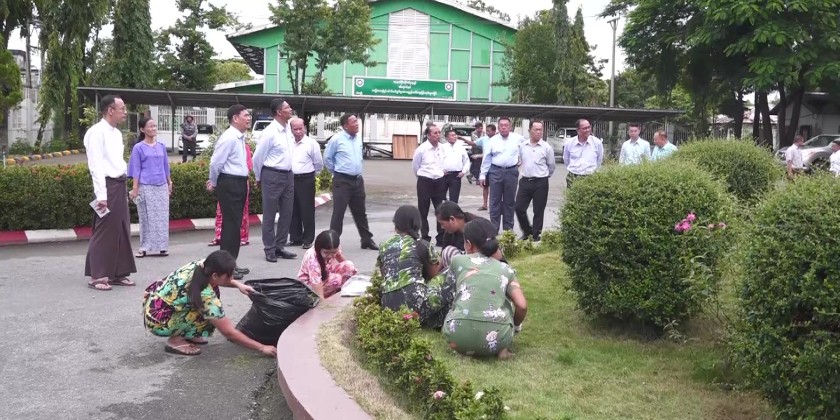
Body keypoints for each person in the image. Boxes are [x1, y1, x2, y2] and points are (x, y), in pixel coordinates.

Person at [142, 250, 277, 357]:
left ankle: (189, 333)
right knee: (211, 309)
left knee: (211, 295)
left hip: (155, 304)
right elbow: (228, 332)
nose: (231, 279)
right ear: (214, 275)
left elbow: (219, 280)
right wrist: (261, 347)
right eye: (228, 276)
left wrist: (238, 285)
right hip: (158, 320)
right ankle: (175, 340)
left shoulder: (202, 266)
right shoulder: (205, 294)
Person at [441, 218, 528, 359]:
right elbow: (522, 306)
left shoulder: (457, 261)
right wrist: (516, 326)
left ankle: (464, 346)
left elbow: (448, 294)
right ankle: (502, 350)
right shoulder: (506, 269)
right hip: (498, 338)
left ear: (468, 244)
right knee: (504, 299)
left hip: (457, 336)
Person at [84, 95, 137, 291]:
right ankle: (97, 275)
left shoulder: (116, 133)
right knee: (104, 230)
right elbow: (96, 166)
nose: (125, 112)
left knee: (121, 228)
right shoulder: (96, 132)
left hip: (119, 184)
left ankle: (118, 273)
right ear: (110, 110)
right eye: (122, 109)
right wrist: (101, 195)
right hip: (106, 186)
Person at [376, 205, 455, 329]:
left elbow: (385, 275)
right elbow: (434, 276)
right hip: (415, 303)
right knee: (451, 272)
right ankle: (441, 319)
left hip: (388, 306)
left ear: (396, 225)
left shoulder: (384, 246)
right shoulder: (423, 244)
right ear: (417, 225)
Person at [207, 104, 251, 280]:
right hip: (229, 183)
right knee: (231, 226)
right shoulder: (229, 138)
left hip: (239, 182)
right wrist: (213, 182)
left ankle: (232, 263)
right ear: (235, 118)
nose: (248, 118)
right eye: (245, 115)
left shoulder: (239, 137)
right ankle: (225, 268)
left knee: (235, 225)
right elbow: (215, 163)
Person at [323, 113, 378, 250]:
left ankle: (366, 239)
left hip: (357, 180)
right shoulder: (337, 139)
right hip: (342, 181)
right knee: (339, 213)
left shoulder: (358, 139)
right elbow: (327, 158)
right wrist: (336, 172)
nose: (357, 123)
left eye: (356, 121)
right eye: (353, 122)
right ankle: (333, 242)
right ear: (345, 126)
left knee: (360, 212)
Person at [253, 98, 297, 262]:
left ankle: (280, 246)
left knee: (287, 213)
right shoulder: (270, 132)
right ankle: (269, 248)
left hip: (288, 175)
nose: (290, 109)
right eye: (287, 107)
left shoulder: (288, 129)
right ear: (279, 112)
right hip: (272, 174)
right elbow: (257, 157)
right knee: (270, 214)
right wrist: (258, 177)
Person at [128, 117, 172, 258]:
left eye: (154, 126)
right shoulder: (138, 148)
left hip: (161, 186)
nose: (153, 128)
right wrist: (135, 188)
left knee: (162, 217)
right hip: (145, 186)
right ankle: (144, 247)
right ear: (142, 129)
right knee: (145, 217)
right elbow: (136, 169)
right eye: (150, 126)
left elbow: (166, 166)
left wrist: (169, 183)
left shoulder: (161, 146)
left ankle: (163, 247)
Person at [480, 117, 523, 232]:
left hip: (511, 172)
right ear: (498, 127)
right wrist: (482, 175)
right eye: (501, 125)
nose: (504, 127)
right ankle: (494, 228)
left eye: (506, 125)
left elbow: (525, 150)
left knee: (510, 201)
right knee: (494, 201)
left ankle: (508, 230)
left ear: (510, 127)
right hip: (495, 171)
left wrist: (520, 161)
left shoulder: (518, 139)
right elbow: (486, 158)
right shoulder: (492, 140)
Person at [515, 120, 555, 242]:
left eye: (540, 130)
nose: (538, 132)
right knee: (519, 208)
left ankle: (536, 235)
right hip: (525, 181)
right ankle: (527, 231)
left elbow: (551, 166)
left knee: (538, 210)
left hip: (540, 182)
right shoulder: (523, 146)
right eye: (536, 129)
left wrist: (544, 176)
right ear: (529, 131)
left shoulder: (546, 147)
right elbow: (520, 161)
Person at [209, 140, 253, 247]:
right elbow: (216, 164)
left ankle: (242, 237)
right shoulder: (226, 144)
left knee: (241, 210)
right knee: (221, 209)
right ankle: (219, 236)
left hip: (240, 181)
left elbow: (248, 166)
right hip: (226, 181)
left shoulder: (245, 148)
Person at [289, 117, 324, 249]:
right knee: (292, 209)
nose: (298, 131)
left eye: (300, 128)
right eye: (295, 129)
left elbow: (318, 163)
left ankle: (308, 239)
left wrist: (312, 175)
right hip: (290, 179)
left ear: (305, 128)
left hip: (306, 179)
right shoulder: (288, 142)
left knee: (307, 209)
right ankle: (295, 238)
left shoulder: (311, 143)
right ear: (291, 130)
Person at [297, 230, 358, 301]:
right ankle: (325, 297)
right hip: (309, 287)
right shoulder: (312, 259)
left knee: (349, 266)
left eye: (334, 252)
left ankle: (341, 291)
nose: (330, 255)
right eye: (326, 252)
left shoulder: (335, 247)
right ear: (319, 249)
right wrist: (322, 302)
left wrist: (350, 272)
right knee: (336, 279)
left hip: (326, 276)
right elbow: (316, 283)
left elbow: (340, 257)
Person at [412, 124, 447, 243]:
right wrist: (422, 176)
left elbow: (443, 162)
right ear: (428, 135)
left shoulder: (442, 148)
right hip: (425, 181)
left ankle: (441, 237)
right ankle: (425, 237)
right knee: (423, 210)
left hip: (439, 182)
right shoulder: (421, 149)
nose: (438, 135)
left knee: (440, 210)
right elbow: (415, 166)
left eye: (439, 132)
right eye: (435, 133)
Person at [563, 119, 604, 189]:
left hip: (590, 177)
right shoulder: (569, 143)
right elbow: (566, 159)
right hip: (573, 177)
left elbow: (599, 160)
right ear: (578, 130)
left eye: (589, 127)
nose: (588, 130)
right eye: (585, 128)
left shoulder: (597, 143)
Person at [441, 128, 470, 203]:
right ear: (447, 137)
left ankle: (453, 209)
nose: (454, 137)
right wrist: (441, 170)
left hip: (456, 175)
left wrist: (463, 172)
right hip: (443, 175)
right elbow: (437, 161)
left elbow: (466, 161)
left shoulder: (460, 147)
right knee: (440, 197)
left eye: (455, 135)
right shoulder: (442, 147)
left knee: (454, 198)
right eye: (452, 135)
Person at [472, 123, 496, 211]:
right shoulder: (484, 139)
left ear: (494, 131)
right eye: (487, 131)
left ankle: (493, 206)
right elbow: (473, 143)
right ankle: (485, 205)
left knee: (495, 188)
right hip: (486, 167)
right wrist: (462, 138)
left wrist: (479, 155)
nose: (487, 133)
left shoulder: (498, 140)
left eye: (489, 131)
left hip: (495, 167)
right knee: (485, 186)